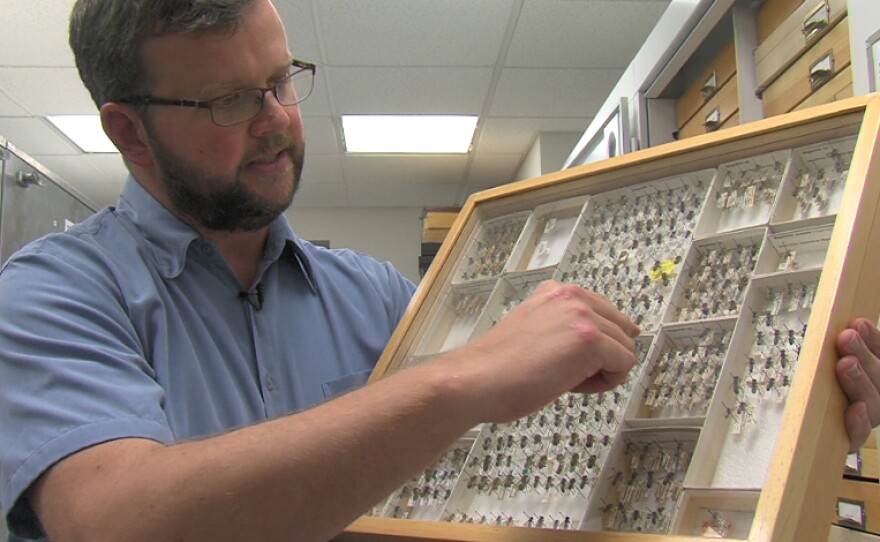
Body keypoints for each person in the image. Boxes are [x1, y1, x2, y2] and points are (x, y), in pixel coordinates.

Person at [0, 1, 875, 541]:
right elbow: (117, 524)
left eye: (283, 80)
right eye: (231, 100)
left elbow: (522, 464)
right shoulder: (50, 299)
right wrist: (462, 378)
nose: (277, 121)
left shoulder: (376, 297)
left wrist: (800, 410)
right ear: (127, 132)